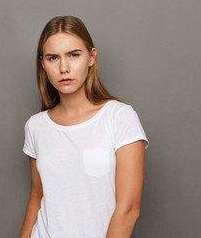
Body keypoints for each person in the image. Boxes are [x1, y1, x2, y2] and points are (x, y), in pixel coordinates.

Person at [19, 15, 149, 238]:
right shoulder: (36, 127)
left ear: (91, 57)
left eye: (73, 55)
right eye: (53, 58)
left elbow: (128, 210)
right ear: (43, 64)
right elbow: (36, 198)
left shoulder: (119, 118)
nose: (64, 67)